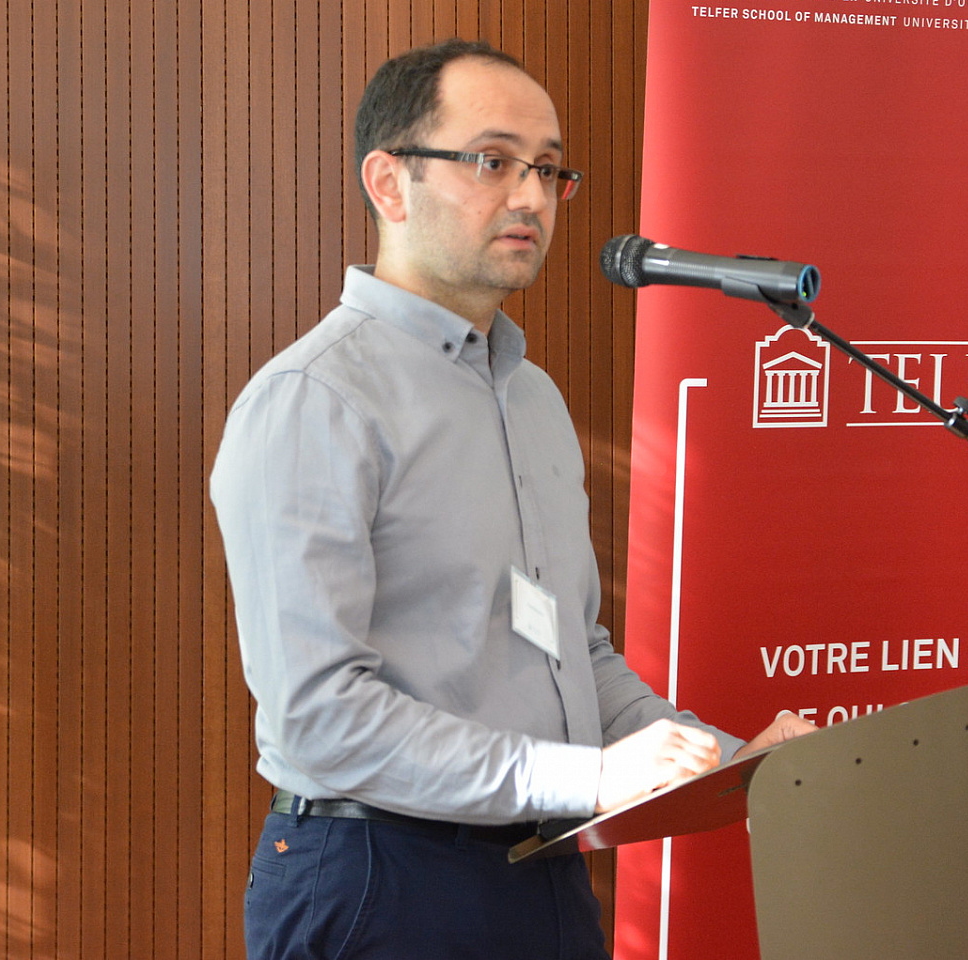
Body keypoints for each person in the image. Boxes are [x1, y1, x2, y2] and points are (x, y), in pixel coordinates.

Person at [210, 38, 814, 959]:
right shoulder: (314, 402)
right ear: (389, 183)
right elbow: (319, 714)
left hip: (544, 864)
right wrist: (588, 776)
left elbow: (577, 652)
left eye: (548, 170)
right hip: (376, 877)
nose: (531, 196)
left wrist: (728, 762)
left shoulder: (532, 398)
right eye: (492, 162)